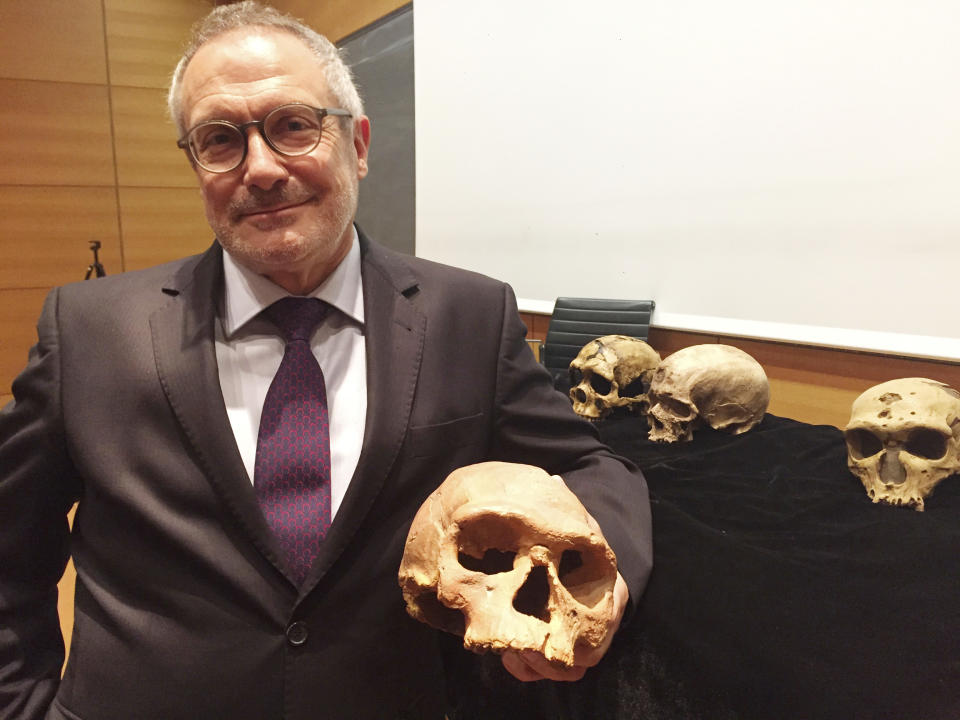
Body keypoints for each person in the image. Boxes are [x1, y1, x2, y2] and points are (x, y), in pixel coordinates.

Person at [0, 2, 652, 718]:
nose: (261, 168)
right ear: (195, 164)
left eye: (293, 126)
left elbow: (595, 468)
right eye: (219, 139)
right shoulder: (88, 331)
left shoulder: (469, 315)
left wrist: (602, 579)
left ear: (359, 144)